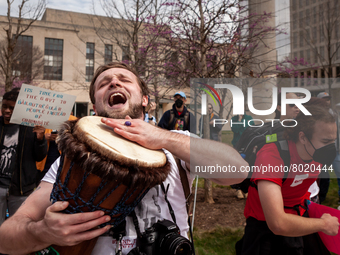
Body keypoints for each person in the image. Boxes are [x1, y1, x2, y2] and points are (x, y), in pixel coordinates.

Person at [0, 62, 247, 255]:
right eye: (104, 83)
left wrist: (164, 139)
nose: (114, 82)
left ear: (145, 100)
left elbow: (237, 171)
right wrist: (41, 232)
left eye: (124, 80)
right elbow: (6, 237)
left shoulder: (176, 141)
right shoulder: (73, 158)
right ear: (95, 107)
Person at [236, 104, 339, 255]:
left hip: (300, 216)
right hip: (265, 227)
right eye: (325, 142)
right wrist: (323, 224)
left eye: (333, 142)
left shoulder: (317, 154)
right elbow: (277, 223)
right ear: (303, 137)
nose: (331, 148)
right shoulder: (271, 157)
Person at [0, 90, 47, 225]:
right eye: (4, 106)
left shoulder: (31, 128)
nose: (7, 111)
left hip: (21, 189)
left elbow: (39, 157)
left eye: (12, 108)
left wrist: (40, 139)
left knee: (17, 228)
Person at [36, 114, 78, 184]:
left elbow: (76, 141)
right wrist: (43, 137)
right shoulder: (41, 118)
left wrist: (63, 137)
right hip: (43, 164)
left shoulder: (72, 120)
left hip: (63, 164)